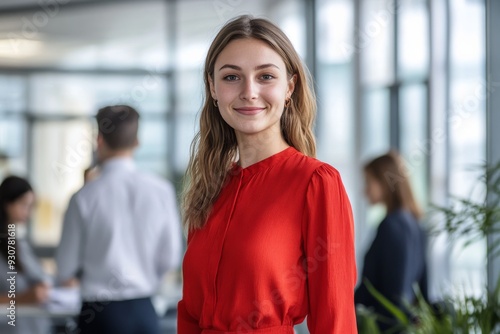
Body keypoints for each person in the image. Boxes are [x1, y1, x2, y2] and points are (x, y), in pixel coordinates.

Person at [178, 15, 357, 333]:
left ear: (289, 87)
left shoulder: (316, 183)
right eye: (231, 77)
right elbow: (190, 313)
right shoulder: (210, 188)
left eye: (265, 76)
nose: (249, 92)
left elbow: (336, 318)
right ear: (213, 88)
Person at [55, 105, 182, 334]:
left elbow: (65, 267)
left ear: (99, 140)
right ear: (137, 142)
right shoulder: (161, 191)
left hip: (99, 316)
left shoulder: (83, 197)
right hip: (144, 311)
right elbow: (171, 257)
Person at [355, 151, 428, 332]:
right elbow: (423, 289)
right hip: (405, 325)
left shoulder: (390, 226)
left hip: (385, 327)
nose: (365, 191)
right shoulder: (416, 225)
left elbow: (384, 291)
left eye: (368, 182)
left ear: (385, 182)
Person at [0, 176, 51, 334]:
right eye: (24, 205)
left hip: (32, 326)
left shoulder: (17, 242)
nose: (28, 214)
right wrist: (23, 299)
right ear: (7, 204)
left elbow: (40, 277)